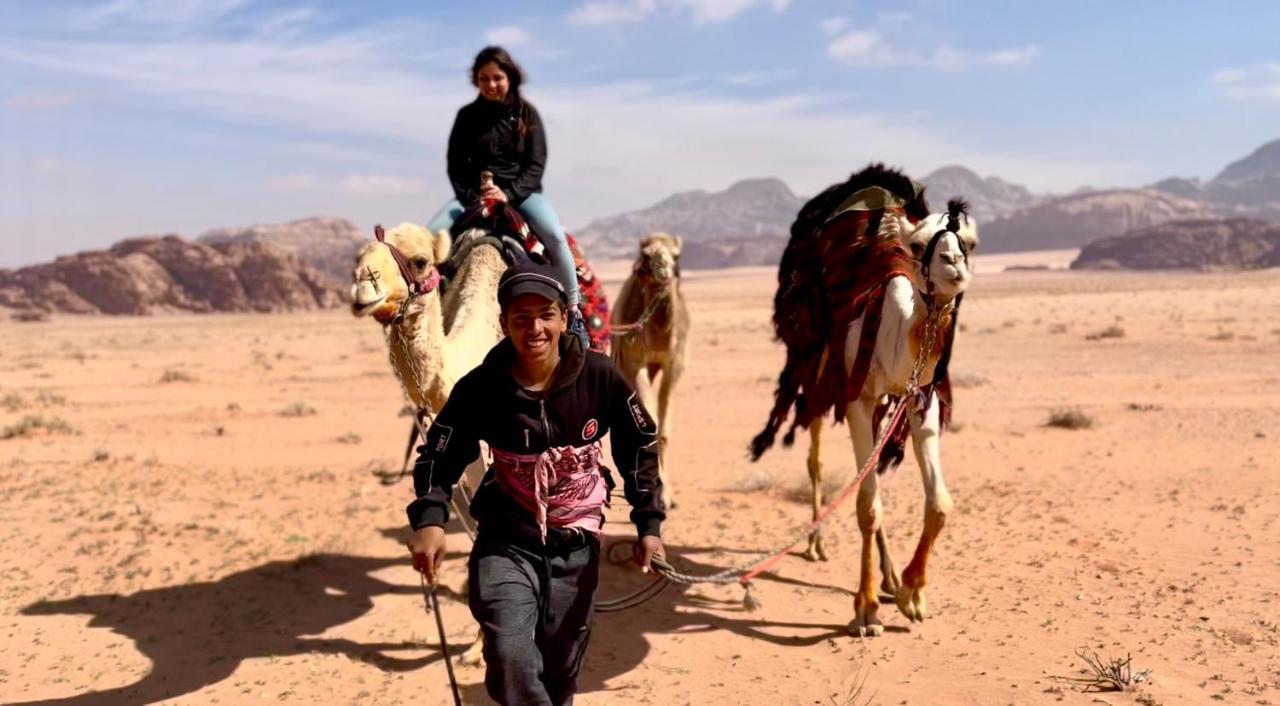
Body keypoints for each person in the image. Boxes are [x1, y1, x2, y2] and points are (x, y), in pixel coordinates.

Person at [406, 260, 666, 705]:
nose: (535, 329)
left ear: (565, 318)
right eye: (521, 318)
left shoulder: (600, 377)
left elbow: (639, 445)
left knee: (561, 671)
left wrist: (649, 524)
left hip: (577, 545)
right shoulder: (481, 388)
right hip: (506, 540)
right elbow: (439, 454)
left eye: (546, 315)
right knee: (509, 656)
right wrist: (430, 519)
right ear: (503, 323)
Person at [427, 45, 590, 347]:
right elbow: (455, 166)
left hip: (522, 194)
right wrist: (475, 197)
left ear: (510, 77)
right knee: (430, 235)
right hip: (474, 196)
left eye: (497, 77)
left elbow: (536, 164)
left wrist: (509, 195)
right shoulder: (466, 117)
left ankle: (573, 310)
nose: (491, 84)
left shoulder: (527, 115)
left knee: (554, 237)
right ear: (476, 80)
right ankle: (423, 311)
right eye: (484, 78)